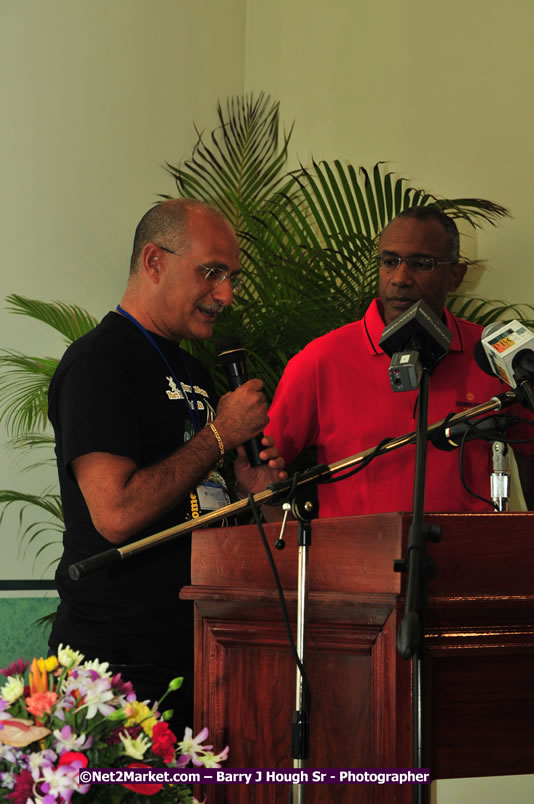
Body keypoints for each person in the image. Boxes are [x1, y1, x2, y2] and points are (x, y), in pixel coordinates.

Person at [48, 198, 286, 735]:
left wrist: (256, 492)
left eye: (231, 277)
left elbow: (199, 499)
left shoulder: (193, 371)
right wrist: (221, 433)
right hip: (120, 670)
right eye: (212, 272)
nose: (225, 294)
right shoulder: (98, 364)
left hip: (203, 652)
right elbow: (116, 511)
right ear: (154, 261)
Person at [265, 205, 533, 516]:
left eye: (421, 263)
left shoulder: (494, 355)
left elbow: (531, 456)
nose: (400, 278)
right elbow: (261, 479)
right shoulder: (320, 359)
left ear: (455, 276)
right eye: (390, 262)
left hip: (466, 559)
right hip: (357, 559)